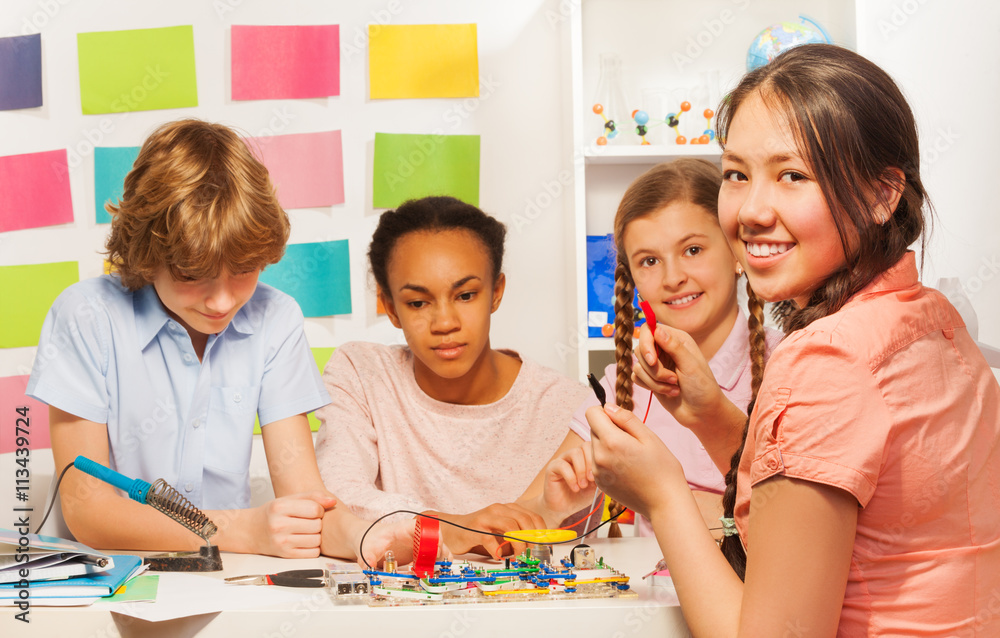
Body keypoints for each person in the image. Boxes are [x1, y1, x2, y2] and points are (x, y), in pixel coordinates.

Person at [586, 44, 1000, 636]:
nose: (751, 211)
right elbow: (830, 492)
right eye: (736, 175)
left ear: (884, 194)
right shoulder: (931, 318)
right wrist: (710, 416)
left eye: (793, 176)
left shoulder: (826, 359)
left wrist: (661, 494)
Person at [27, 119, 409, 564]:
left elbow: (306, 496)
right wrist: (238, 528)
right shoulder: (86, 316)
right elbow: (87, 510)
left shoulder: (275, 317)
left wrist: (365, 537)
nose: (223, 301)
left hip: (228, 577)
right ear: (147, 257)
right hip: (109, 579)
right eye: (192, 276)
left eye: (243, 270)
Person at [517, 159, 782, 537]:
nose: (673, 278)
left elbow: (805, 523)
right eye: (650, 261)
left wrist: (688, 506)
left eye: (693, 250)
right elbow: (521, 519)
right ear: (633, 280)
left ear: (737, 252)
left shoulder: (793, 365)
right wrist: (550, 508)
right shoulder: (623, 383)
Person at [314, 196, 589, 559]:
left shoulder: (569, 406)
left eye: (466, 295)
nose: (445, 323)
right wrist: (448, 528)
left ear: (496, 292)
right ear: (390, 307)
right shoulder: (362, 373)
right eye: (417, 303)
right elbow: (336, 496)